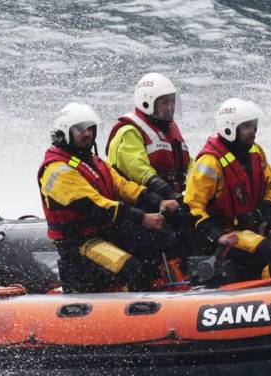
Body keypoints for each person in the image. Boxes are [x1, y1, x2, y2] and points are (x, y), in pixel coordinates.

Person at [37, 102, 179, 293]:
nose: (87, 134)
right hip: (80, 243)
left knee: (161, 239)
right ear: (65, 132)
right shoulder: (57, 169)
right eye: (80, 129)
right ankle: (139, 310)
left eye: (90, 128)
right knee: (133, 269)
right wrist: (143, 218)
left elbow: (123, 186)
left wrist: (158, 201)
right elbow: (96, 207)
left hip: (106, 232)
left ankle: (170, 289)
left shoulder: (93, 161)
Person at [184, 98, 271, 282]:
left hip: (250, 225)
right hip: (226, 233)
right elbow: (192, 207)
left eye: (253, 126)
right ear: (230, 129)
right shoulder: (210, 163)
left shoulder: (255, 152)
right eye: (246, 127)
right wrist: (218, 236)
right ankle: (270, 293)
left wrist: (264, 216)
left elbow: (270, 187)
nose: (252, 132)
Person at [106, 73, 190, 199]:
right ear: (147, 102)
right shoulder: (129, 131)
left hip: (171, 197)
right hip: (140, 201)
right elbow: (138, 169)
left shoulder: (169, 128)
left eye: (173, 101)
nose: (171, 107)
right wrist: (169, 193)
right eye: (164, 102)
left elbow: (189, 162)